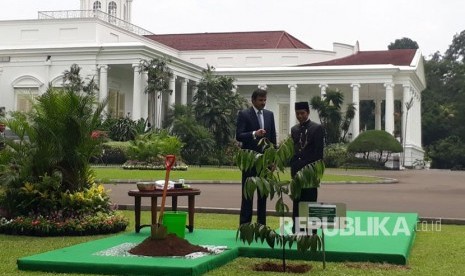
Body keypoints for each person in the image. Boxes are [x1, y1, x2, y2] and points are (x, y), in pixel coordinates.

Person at [236, 88, 276, 226]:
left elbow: (273, 139)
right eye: (260, 100)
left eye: (265, 100)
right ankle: (245, 225)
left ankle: (261, 226)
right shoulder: (244, 114)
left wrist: (273, 160)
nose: (263, 103)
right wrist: (254, 133)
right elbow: (239, 135)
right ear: (253, 100)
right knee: (247, 194)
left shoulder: (270, 115)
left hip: (265, 162)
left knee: (263, 194)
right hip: (249, 161)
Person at [290, 101, 325, 233]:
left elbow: (318, 153)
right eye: (297, 114)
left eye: (302, 113)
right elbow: (293, 150)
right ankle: (297, 229)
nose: (300, 116)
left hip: (310, 172)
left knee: (310, 201)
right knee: (297, 201)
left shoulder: (317, 128)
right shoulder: (294, 130)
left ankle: (311, 231)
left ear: (308, 113)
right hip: (296, 172)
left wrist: (311, 169)